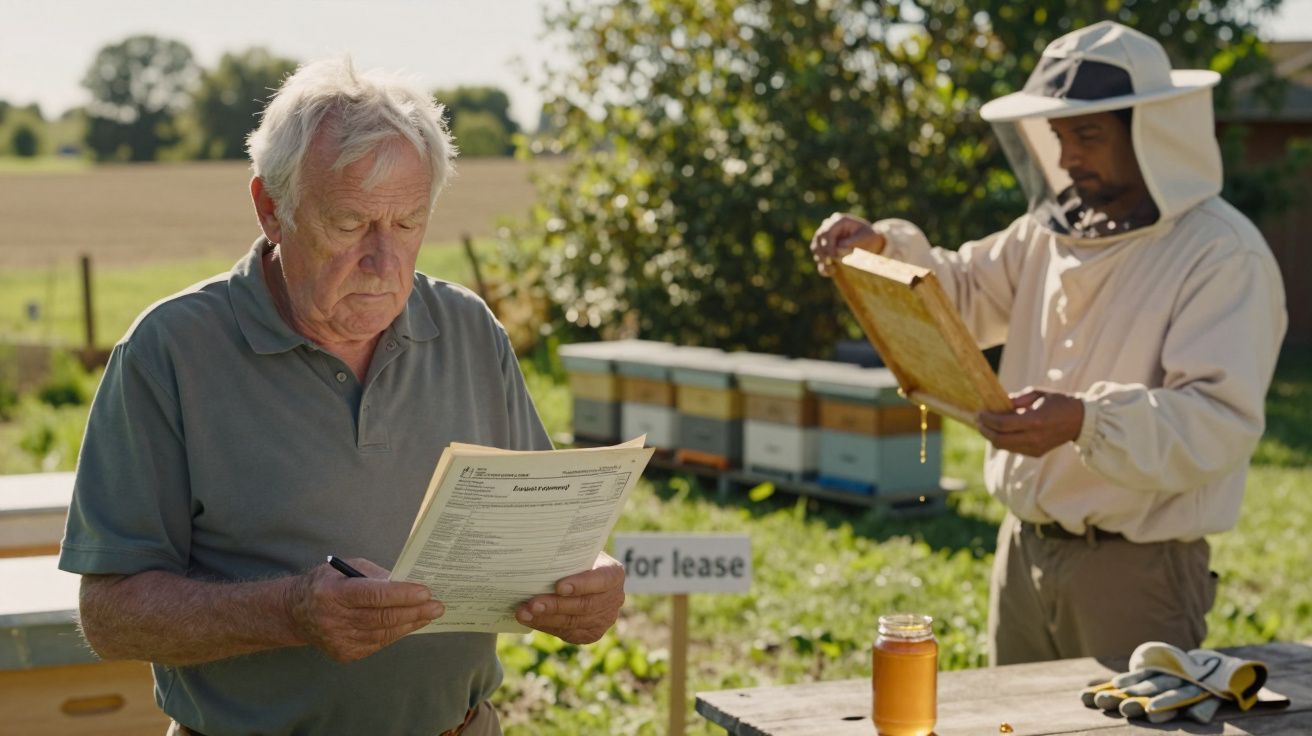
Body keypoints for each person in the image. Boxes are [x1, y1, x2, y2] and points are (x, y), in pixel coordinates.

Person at [58, 57, 625, 736]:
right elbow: (111, 614)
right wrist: (292, 612)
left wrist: (588, 581)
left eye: (409, 223)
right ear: (272, 207)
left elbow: (545, 544)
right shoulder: (168, 352)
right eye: (351, 224)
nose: (385, 264)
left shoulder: (470, 330)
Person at [811, 21, 1286, 664]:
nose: (1067, 159)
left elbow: (1216, 422)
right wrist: (882, 252)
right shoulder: (1047, 234)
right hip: (1022, 552)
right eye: (1059, 136)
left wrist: (1086, 421)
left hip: (1135, 572)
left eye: (1087, 135)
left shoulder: (1220, 256)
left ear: (1153, 133)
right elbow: (960, 298)